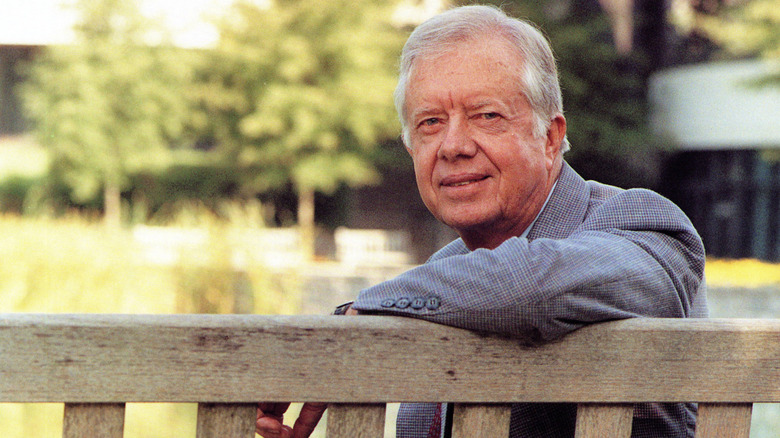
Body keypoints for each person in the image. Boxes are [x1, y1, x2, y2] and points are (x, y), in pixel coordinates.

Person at [256, 4, 707, 438]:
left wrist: (361, 312)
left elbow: (529, 283)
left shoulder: (644, 226)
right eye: (430, 122)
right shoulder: (448, 275)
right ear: (411, 147)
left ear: (550, 137)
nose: (453, 146)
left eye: (486, 116)